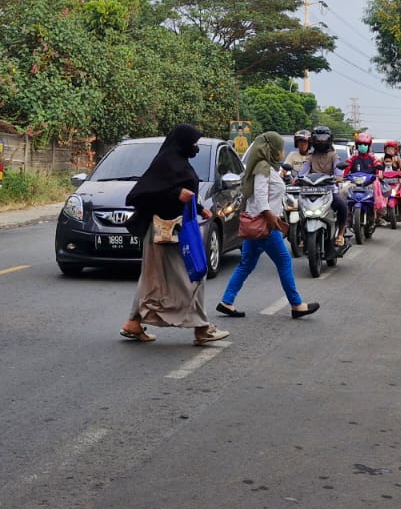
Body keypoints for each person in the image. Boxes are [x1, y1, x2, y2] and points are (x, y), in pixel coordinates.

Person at [119, 124, 230, 346]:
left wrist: (199, 209)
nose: (196, 147)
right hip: (164, 232)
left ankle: (133, 322)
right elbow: (138, 196)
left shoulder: (178, 162)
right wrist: (175, 193)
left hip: (177, 230)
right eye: (193, 143)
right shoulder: (165, 163)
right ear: (182, 143)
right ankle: (202, 328)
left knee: (151, 278)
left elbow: (182, 193)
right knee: (194, 274)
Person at [214, 131, 319, 320]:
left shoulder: (265, 167)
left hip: (256, 223)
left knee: (246, 263)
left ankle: (227, 301)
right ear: (270, 149)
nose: (281, 152)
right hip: (264, 225)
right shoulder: (263, 168)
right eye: (279, 148)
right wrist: (272, 219)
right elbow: (261, 197)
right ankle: (297, 305)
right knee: (284, 261)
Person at [300, 126, 350, 247]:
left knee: (342, 205)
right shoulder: (310, 156)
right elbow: (303, 171)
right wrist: (298, 178)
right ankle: (302, 235)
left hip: (329, 189)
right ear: (313, 140)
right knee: (299, 207)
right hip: (312, 190)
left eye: (323, 139)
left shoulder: (333, 155)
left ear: (329, 140)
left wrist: (339, 176)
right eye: (318, 139)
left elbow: (338, 170)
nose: (321, 141)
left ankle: (340, 234)